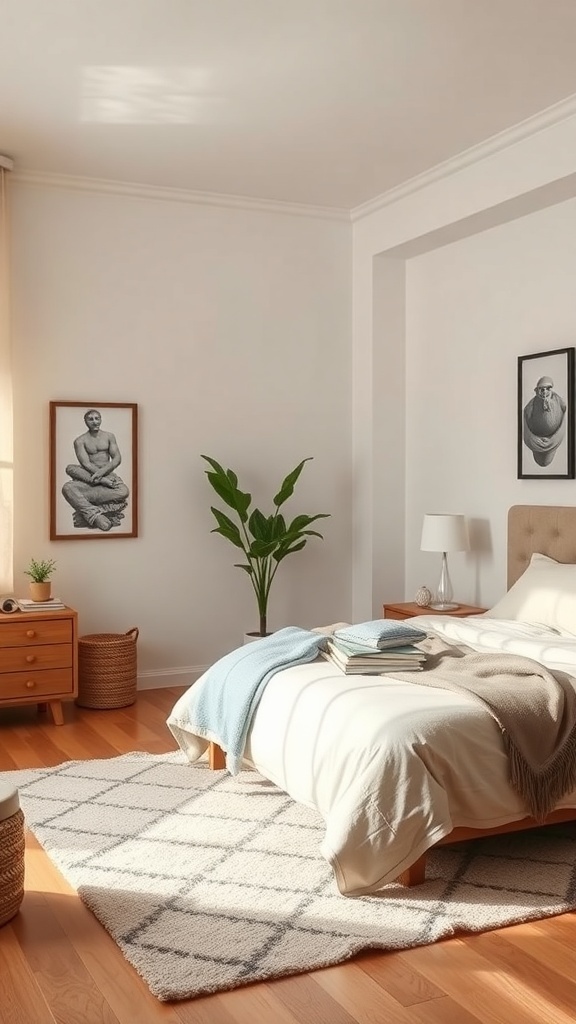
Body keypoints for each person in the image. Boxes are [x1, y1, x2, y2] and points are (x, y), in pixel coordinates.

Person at [61, 409, 130, 530]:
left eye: (97, 418)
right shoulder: (80, 441)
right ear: (85, 422)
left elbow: (117, 459)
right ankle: (96, 516)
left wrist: (102, 475)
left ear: (101, 420)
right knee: (68, 482)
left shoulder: (109, 436)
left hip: (107, 477)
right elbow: (86, 463)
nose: (94, 421)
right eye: (90, 419)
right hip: (88, 477)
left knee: (124, 491)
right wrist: (101, 480)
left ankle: (87, 507)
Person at [522, 376, 567, 467]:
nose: (544, 392)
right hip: (536, 441)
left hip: (553, 441)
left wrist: (554, 438)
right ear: (537, 390)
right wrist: (534, 439)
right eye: (541, 389)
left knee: (546, 459)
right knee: (541, 460)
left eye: (547, 389)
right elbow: (526, 417)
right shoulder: (531, 405)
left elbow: (565, 412)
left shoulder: (558, 401)